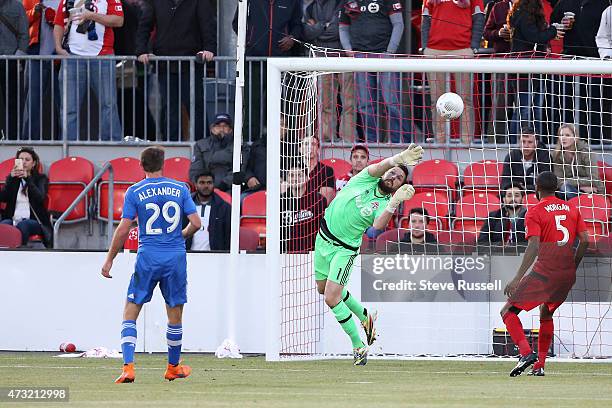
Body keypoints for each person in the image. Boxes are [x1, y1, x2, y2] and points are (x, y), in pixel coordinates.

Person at [314, 143, 423, 365]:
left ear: (399, 187)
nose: (393, 176)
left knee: (331, 298)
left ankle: (358, 345)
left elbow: (377, 227)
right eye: (392, 172)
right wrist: (399, 158)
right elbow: (380, 166)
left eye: (399, 178)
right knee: (323, 289)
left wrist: (394, 201)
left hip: (344, 249)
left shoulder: (385, 203)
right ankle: (366, 317)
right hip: (322, 238)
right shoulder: (366, 178)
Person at [101, 146, 201, 383]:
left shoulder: (135, 191)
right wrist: (180, 236)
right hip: (175, 257)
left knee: (131, 309)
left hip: (148, 257)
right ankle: (173, 367)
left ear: (141, 165)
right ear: (163, 163)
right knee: (174, 312)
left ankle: (128, 367)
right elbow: (196, 223)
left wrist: (109, 259)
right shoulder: (180, 188)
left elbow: (124, 228)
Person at [501, 171, 589, 377]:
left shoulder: (534, 211)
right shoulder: (572, 208)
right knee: (546, 313)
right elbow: (585, 240)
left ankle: (525, 353)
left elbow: (533, 245)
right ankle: (539, 366)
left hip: (545, 272)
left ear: (536, 190)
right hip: (566, 273)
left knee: (507, 311)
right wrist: (572, 266)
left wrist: (517, 278)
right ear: (557, 188)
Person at [135, 0, 216, 142]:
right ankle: (171, 146)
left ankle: (203, 145)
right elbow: (144, 26)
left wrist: (209, 48)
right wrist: (141, 51)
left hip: (191, 63)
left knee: (196, 105)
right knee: (170, 107)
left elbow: (208, 26)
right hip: (165, 63)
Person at [339, 0, 415, 143]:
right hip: (360, 56)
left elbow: (398, 24)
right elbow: (343, 27)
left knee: (392, 102)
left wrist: (390, 51)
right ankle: (372, 142)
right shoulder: (348, 1)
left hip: (384, 55)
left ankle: (399, 142)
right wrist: (348, 50)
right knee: (365, 105)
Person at [53, 0, 124, 141]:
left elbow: (118, 20)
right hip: (72, 57)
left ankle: (112, 146)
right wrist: (58, 48)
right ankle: (68, 147)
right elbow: (59, 23)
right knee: (69, 108)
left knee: (108, 104)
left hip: (103, 56)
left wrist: (91, 15)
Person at [232, 0, 302, 141]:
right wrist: (251, 41)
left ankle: (286, 145)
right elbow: (237, 23)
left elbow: (298, 25)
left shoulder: (292, 1)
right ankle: (249, 145)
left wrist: (292, 38)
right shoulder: (249, 1)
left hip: (281, 63)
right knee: (252, 106)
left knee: (283, 106)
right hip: (254, 62)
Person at [421, 0, 485, 144]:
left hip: (462, 49)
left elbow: (479, 17)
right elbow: (425, 19)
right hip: (434, 49)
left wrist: (473, 46)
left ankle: (466, 142)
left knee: (465, 99)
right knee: (436, 101)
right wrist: (425, 47)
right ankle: (440, 142)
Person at [507, 0, 564, 139]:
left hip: (534, 68)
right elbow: (535, 37)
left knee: (535, 110)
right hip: (524, 69)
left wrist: (550, 31)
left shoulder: (523, 11)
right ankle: (515, 144)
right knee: (524, 110)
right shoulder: (525, 14)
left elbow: (537, 37)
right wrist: (553, 30)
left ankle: (536, 144)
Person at [303, 0, 356, 142]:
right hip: (322, 59)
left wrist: (318, 27)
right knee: (325, 103)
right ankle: (326, 138)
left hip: (344, 58)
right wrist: (325, 26)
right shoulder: (311, 7)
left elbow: (337, 31)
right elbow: (307, 33)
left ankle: (347, 139)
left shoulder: (342, 3)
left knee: (348, 103)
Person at [21, 0, 61, 140]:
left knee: (64, 105)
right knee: (32, 103)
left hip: (61, 57)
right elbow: (21, 20)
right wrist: (35, 13)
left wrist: (58, 20)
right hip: (36, 54)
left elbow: (76, 22)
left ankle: (66, 144)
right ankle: (28, 146)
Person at [0, 146, 52, 247]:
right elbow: (3, 198)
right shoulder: (13, 179)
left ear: (33, 163)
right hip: (13, 218)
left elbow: (40, 197)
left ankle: (19, 252)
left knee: (23, 226)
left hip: (34, 221)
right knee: (5, 224)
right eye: (21, 160)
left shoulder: (41, 179)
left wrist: (28, 179)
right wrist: (10, 179)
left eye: (27, 160)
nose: (23, 162)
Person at [483, 0, 514, 139]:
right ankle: (495, 141)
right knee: (499, 105)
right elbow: (486, 32)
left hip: (526, 60)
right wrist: (499, 33)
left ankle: (523, 142)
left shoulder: (531, 5)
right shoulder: (498, 7)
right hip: (502, 61)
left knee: (524, 107)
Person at [551, 123, 603, 200]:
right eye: (561, 135)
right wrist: (580, 186)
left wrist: (571, 182)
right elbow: (559, 181)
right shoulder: (557, 155)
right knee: (563, 190)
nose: (563, 138)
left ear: (575, 137)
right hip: (568, 190)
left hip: (593, 191)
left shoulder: (586, 153)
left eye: (567, 135)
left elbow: (593, 179)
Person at [281, 165, 326, 252]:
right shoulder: (281, 201)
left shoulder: (318, 200)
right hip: (286, 253)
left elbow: (321, 230)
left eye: (299, 175)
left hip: (311, 252)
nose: (295, 179)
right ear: (287, 178)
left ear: (307, 178)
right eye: (291, 175)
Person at [0, 0, 28, 140]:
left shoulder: (17, 6)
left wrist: (19, 57)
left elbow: (24, 33)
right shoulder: (17, 5)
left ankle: (13, 138)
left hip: (10, 60)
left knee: (12, 102)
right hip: (9, 58)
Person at [185, 171, 231, 252]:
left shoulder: (224, 208)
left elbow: (228, 237)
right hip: (188, 256)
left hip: (215, 258)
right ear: (195, 185)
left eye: (209, 183)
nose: (206, 186)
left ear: (213, 185)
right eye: (202, 183)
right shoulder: (184, 207)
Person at [189, 113, 234, 192]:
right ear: (212, 129)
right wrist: (204, 185)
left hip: (229, 189)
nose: (221, 129)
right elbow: (195, 169)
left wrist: (223, 185)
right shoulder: (200, 145)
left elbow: (239, 170)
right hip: (204, 189)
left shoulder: (238, 146)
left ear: (230, 129)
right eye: (218, 126)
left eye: (225, 126)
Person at [500, 124, 552, 192]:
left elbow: (546, 185)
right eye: (523, 142)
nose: (526, 146)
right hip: (516, 194)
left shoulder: (545, 157)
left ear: (536, 143)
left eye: (530, 142)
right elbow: (504, 182)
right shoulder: (511, 156)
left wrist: (524, 188)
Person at [300, 135, 336, 204]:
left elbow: (325, 201)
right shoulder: (294, 170)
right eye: (306, 144)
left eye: (313, 144)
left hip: (317, 212)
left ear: (318, 149)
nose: (309, 148)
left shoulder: (327, 170)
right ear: (300, 149)